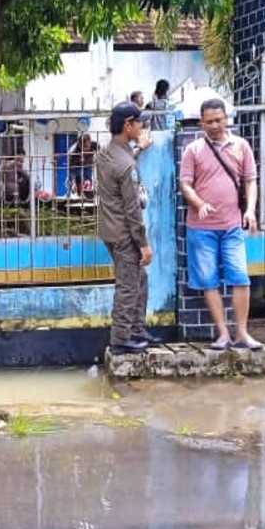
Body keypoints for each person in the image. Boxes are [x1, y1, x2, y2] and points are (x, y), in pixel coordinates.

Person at [178, 98, 263, 351]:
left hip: (232, 226)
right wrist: (199, 203)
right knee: (209, 282)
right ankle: (223, 334)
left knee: (241, 277)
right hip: (201, 228)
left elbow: (251, 181)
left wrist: (250, 210)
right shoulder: (193, 150)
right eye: (209, 121)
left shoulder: (241, 146)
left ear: (226, 119)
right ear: (201, 123)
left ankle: (242, 334)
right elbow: (185, 185)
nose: (215, 125)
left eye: (218, 120)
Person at [96, 101, 156, 354]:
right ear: (128, 125)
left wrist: (139, 148)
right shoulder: (126, 165)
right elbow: (132, 210)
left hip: (109, 230)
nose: (142, 126)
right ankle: (121, 339)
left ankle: (137, 330)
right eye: (139, 122)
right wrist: (143, 244)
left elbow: (122, 164)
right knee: (129, 285)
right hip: (124, 233)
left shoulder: (105, 152)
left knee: (139, 279)